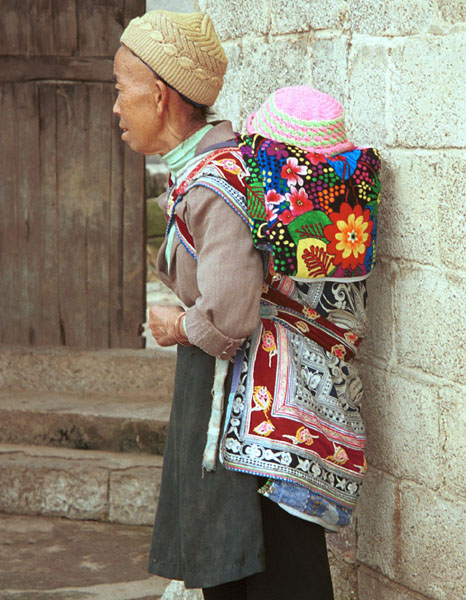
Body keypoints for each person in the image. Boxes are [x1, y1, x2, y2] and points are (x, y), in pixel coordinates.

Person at [113, 9, 380, 600]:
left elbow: (229, 317)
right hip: (266, 411)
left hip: (254, 423)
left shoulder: (214, 184)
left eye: (121, 90)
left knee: (267, 577)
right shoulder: (220, 171)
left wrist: (176, 324)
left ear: (159, 97)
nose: (116, 106)